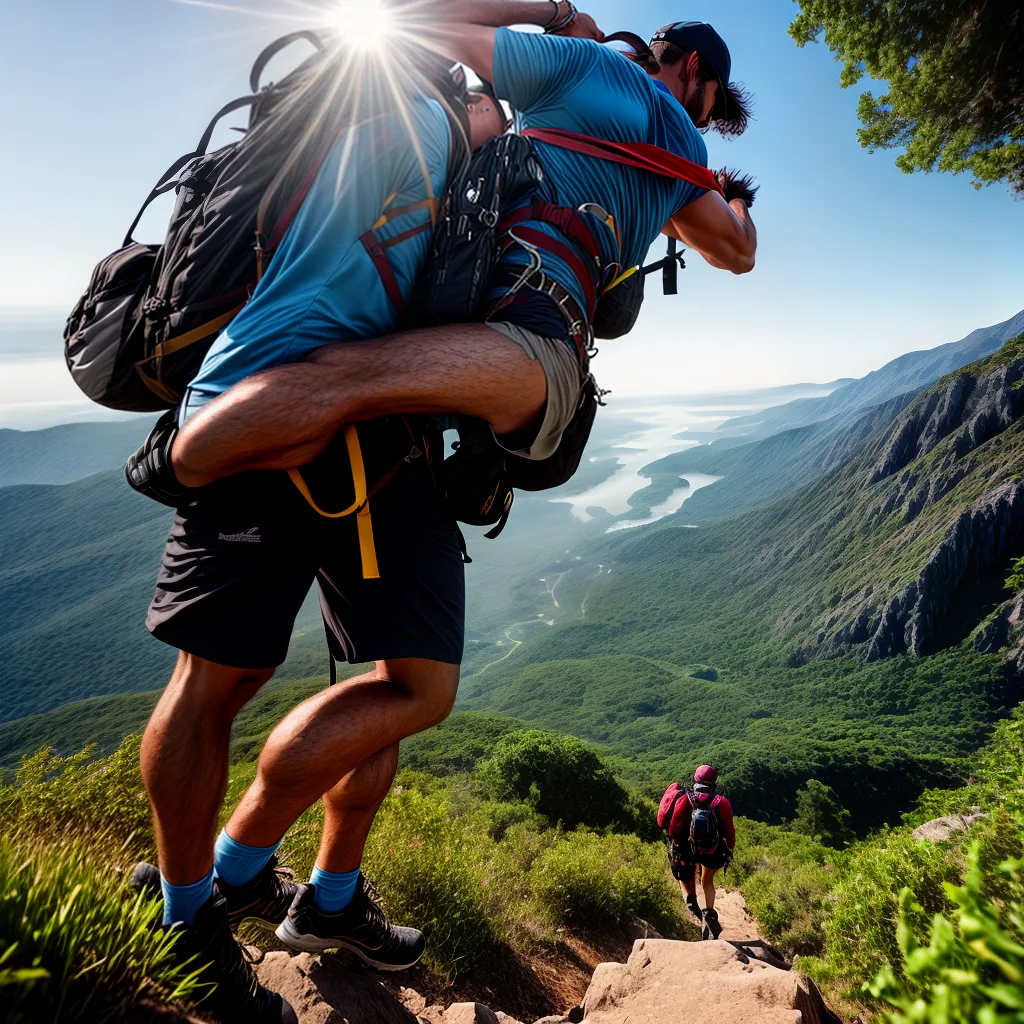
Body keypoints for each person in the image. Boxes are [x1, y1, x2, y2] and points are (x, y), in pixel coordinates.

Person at [133, 7, 756, 1020]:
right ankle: (192, 905)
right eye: (710, 96)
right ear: (688, 70)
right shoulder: (623, 93)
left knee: (333, 679)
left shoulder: (524, 102)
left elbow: (432, 43)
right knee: (321, 676)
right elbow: (734, 247)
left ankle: (291, 890)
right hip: (377, 398)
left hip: (390, 424)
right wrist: (567, 27)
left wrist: (544, 34)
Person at [658, 765, 736, 939]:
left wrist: (678, 848)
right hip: (712, 850)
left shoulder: (685, 798)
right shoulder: (721, 802)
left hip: (688, 849)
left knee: (684, 877)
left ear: (696, 779)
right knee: (707, 881)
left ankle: (692, 907)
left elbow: (673, 830)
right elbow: (730, 834)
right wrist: (729, 849)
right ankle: (709, 915)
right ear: (714, 781)